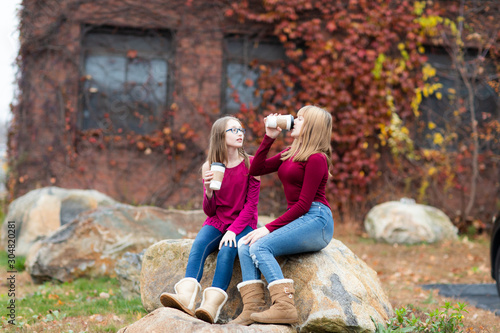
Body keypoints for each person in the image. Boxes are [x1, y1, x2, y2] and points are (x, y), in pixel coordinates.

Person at [229, 105, 334, 326]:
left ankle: (285, 307)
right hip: (299, 218)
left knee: (260, 245)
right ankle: (252, 308)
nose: (294, 121)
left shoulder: (317, 158)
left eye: (300, 119)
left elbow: (304, 204)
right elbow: (256, 169)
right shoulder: (290, 152)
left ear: (311, 127)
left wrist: (267, 228)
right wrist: (269, 137)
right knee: (244, 245)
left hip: (317, 220)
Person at [160, 116, 260, 324]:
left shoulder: (252, 164)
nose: (240, 133)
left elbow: (251, 207)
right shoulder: (210, 166)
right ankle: (186, 298)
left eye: (241, 129)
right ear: (220, 136)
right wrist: (207, 190)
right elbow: (209, 211)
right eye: (233, 130)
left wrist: (233, 231)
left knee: (226, 251)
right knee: (198, 246)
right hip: (218, 220)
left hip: (242, 223)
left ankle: (210, 307)